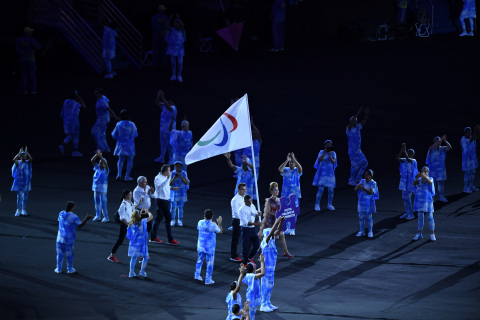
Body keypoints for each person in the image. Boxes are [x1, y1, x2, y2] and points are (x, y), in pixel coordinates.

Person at [55, 201, 92, 274]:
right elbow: (80, 226)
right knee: (70, 255)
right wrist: (86, 219)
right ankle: (70, 269)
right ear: (72, 207)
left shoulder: (61, 213)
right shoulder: (74, 217)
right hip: (69, 239)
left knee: (59, 254)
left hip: (59, 238)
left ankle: (58, 269)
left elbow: (59, 221)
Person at [259, 182, 294, 258]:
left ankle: (286, 252)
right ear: (271, 191)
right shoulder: (269, 200)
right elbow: (268, 211)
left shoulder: (280, 200)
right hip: (271, 221)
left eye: (277, 190)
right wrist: (276, 215)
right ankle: (260, 249)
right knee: (266, 237)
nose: (277, 192)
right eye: (275, 190)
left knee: (282, 235)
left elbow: (282, 210)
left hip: (277, 221)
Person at [107, 190, 143, 263]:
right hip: (125, 225)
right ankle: (111, 256)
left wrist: (139, 202)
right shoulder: (123, 205)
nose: (131, 196)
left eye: (131, 194)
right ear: (125, 195)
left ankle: (141, 255)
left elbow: (134, 208)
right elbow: (122, 218)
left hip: (129, 224)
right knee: (120, 240)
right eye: (129, 194)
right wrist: (129, 226)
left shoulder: (130, 202)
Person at [260, 216, 284, 312]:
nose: (274, 235)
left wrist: (281, 222)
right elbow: (271, 233)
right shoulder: (264, 242)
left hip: (271, 268)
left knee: (270, 285)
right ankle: (263, 304)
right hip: (265, 269)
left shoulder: (272, 242)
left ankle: (268, 302)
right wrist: (277, 221)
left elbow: (277, 231)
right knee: (265, 286)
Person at [152, 164, 180, 245]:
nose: (170, 172)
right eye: (169, 170)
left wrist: (172, 188)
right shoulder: (157, 178)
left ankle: (153, 237)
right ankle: (170, 239)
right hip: (161, 200)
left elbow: (166, 186)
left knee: (158, 218)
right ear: (165, 172)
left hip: (166, 200)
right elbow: (160, 187)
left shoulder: (165, 177)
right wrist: (168, 178)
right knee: (168, 218)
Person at [194, 209, 223, 285]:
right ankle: (208, 279)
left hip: (200, 246)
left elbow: (199, 228)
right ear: (212, 216)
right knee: (209, 263)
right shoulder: (213, 225)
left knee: (199, 260)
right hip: (209, 248)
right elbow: (220, 231)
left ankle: (197, 275)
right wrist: (219, 223)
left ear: (204, 216)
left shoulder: (200, 222)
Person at [278, 152, 302, 235]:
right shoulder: (286, 170)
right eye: (290, 162)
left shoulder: (296, 171)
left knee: (294, 211)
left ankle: (292, 228)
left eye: (292, 162)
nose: (291, 163)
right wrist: (286, 160)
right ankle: (288, 227)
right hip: (285, 194)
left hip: (294, 194)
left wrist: (294, 158)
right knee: (286, 211)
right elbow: (280, 169)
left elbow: (300, 169)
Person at [111, 109, 138, 181]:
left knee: (121, 159)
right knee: (130, 160)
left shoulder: (118, 124)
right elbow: (135, 134)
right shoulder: (132, 124)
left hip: (121, 144)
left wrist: (120, 138)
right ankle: (127, 176)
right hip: (130, 145)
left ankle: (119, 174)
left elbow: (114, 135)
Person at [127, 208, 154, 277]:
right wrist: (147, 212)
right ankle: (142, 271)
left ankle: (131, 272)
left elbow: (129, 235)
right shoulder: (142, 222)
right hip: (142, 242)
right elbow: (151, 217)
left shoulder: (130, 223)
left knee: (133, 258)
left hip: (133, 243)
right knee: (145, 256)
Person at [59, 90, 86, 157]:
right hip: (74, 121)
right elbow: (84, 107)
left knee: (71, 134)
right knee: (76, 135)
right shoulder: (75, 103)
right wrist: (80, 99)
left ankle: (63, 145)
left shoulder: (65, 101)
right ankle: (75, 151)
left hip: (66, 121)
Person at [347, 107, 369, 185]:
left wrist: (366, 113)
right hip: (352, 151)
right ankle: (351, 180)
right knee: (355, 166)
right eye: (354, 121)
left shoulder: (358, 127)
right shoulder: (349, 129)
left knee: (365, 163)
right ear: (351, 122)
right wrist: (358, 113)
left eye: (356, 121)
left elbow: (364, 121)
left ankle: (358, 177)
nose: (355, 122)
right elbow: (352, 121)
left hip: (358, 151)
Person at [412, 166, 436, 241]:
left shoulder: (430, 178)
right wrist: (416, 177)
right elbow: (414, 184)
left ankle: (432, 234)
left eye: (426, 171)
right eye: (423, 171)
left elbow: (430, 182)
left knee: (430, 217)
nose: (424, 172)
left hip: (427, 200)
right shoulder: (419, 179)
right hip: (419, 200)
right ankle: (419, 233)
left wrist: (424, 176)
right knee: (420, 217)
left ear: (428, 172)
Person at [91, 88, 118, 153]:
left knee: (94, 132)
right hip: (103, 118)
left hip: (102, 119)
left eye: (97, 93)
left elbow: (109, 109)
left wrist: (114, 117)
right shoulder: (102, 98)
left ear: (100, 94)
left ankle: (101, 147)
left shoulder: (102, 101)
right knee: (102, 134)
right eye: (95, 93)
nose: (95, 95)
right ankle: (106, 148)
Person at [426, 135, 452, 202]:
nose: (438, 141)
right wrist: (438, 142)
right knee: (432, 185)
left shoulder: (442, 148)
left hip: (441, 170)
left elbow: (449, 147)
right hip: (433, 170)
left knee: (441, 184)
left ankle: (441, 197)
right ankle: (432, 198)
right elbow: (430, 148)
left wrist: (445, 141)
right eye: (436, 140)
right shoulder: (431, 149)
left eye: (439, 140)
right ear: (434, 141)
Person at [354, 169, 379, 238]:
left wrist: (362, 187)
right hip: (361, 202)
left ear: (370, 176)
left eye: (367, 175)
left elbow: (371, 192)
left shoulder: (373, 183)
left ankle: (370, 231)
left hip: (368, 203)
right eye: (365, 175)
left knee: (368, 218)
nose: (365, 176)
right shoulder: (362, 181)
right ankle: (362, 231)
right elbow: (355, 189)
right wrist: (358, 188)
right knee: (361, 217)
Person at [313, 140, 337, 211]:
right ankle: (317, 204)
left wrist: (329, 154)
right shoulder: (321, 151)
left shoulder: (333, 153)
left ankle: (329, 204)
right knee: (320, 189)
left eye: (330, 145)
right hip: (322, 173)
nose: (329, 146)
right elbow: (319, 160)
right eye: (327, 145)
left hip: (330, 174)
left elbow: (333, 161)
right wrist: (324, 153)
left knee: (331, 190)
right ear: (325, 146)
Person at [154, 89, 177, 164]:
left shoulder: (174, 108)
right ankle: (162, 157)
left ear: (171, 101)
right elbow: (157, 103)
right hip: (162, 129)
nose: (167, 102)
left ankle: (171, 159)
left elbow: (169, 108)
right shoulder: (164, 106)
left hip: (169, 130)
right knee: (162, 144)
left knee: (170, 146)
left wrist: (163, 97)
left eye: (168, 101)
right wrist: (158, 96)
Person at [396, 143, 418, 220]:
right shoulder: (405, 159)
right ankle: (407, 212)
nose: (409, 153)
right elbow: (397, 158)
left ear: (413, 154)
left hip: (410, 182)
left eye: (410, 152)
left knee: (408, 198)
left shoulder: (414, 161)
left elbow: (408, 159)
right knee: (404, 198)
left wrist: (404, 150)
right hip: (403, 181)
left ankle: (411, 214)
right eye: (408, 152)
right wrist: (401, 151)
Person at [16, 26, 40, 94]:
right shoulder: (32, 40)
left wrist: (22, 53)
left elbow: (18, 50)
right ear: (28, 33)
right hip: (31, 59)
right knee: (32, 74)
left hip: (22, 59)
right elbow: (38, 47)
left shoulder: (19, 39)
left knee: (24, 74)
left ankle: (24, 90)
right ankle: (33, 90)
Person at [239, 195, 262, 264]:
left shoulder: (252, 205)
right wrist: (256, 224)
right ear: (245, 201)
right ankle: (245, 263)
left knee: (257, 244)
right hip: (245, 229)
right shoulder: (241, 210)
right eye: (248, 201)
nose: (250, 202)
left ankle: (249, 257)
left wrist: (258, 215)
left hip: (252, 229)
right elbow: (246, 223)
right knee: (245, 246)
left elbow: (254, 214)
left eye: (251, 201)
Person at [242, 254, 265, 320]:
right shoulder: (252, 276)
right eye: (254, 267)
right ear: (253, 269)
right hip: (251, 298)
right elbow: (262, 273)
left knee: (252, 314)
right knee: (250, 316)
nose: (255, 267)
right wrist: (262, 262)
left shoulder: (250, 274)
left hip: (252, 296)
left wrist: (263, 261)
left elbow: (261, 269)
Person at [12, 147, 33, 216]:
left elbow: (31, 159)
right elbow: (14, 159)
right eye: (22, 156)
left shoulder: (27, 163)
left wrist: (27, 152)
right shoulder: (18, 162)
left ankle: (24, 209)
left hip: (26, 182)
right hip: (19, 183)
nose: (24, 157)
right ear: (20, 157)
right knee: (19, 197)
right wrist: (18, 153)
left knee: (25, 197)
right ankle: (18, 209)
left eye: (25, 156)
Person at [165, 14, 186, 82]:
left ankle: (179, 75)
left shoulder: (181, 30)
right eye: (175, 23)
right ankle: (173, 75)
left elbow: (183, 26)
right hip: (172, 47)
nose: (176, 24)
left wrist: (179, 18)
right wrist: (170, 18)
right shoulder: (171, 29)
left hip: (180, 48)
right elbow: (167, 26)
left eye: (177, 23)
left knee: (180, 62)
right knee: (173, 62)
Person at [91, 150, 109, 222]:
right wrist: (97, 155)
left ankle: (106, 217)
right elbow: (92, 161)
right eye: (99, 163)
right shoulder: (97, 168)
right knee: (97, 202)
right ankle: (98, 215)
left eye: (101, 163)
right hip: (96, 188)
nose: (99, 164)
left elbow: (106, 164)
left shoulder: (106, 170)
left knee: (103, 202)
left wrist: (101, 157)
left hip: (103, 189)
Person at [230, 183, 247, 262]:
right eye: (243, 189)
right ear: (239, 190)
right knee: (235, 239)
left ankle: (244, 253)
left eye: (245, 189)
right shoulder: (235, 200)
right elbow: (236, 212)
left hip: (243, 220)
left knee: (244, 238)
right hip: (237, 221)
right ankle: (233, 256)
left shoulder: (243, 198)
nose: (244, 191)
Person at [170, 161, 190, 227]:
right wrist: (174, 178)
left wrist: (181, 177)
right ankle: (172, 220)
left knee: (180, 207)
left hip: (182, 192)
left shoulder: (184, 173)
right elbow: (169, 184)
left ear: (181, 166)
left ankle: (180, 220)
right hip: (174, 192)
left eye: (178, 166)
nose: (177, 167)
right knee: (173, 207)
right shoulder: (172, 173)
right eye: (176, 166)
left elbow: (186, 182)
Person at [461, 125, 479, 193]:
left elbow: (476, 137)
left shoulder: (472, 137)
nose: (470, 133)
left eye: (470, 132)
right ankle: (465, 187)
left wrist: (478, 130)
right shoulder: (463, 139)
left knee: (473, 172)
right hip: (467, 159)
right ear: (465, 133)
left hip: (473, 158)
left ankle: (471, 185)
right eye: (468, 132)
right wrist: (476, 130)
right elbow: (472, 139)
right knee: (467, 173)